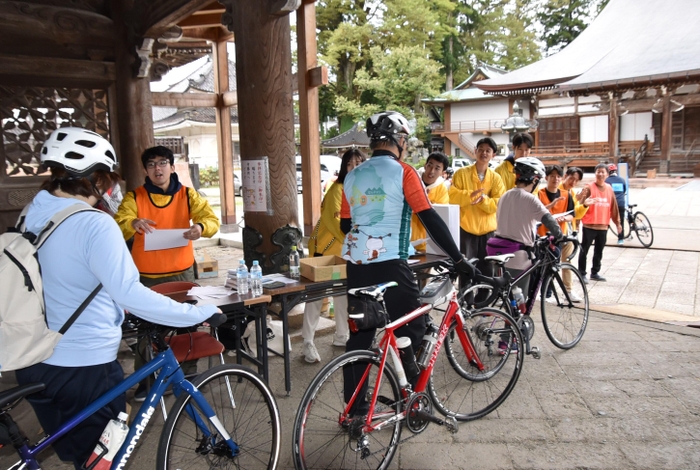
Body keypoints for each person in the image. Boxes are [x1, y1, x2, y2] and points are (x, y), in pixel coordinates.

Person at [14, 128, 221, 470]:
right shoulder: (95, 223)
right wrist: (194, 313)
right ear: (96, 179)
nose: (111, 187)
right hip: (82, 363)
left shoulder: (33, 211)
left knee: (75, 455)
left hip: (33, 357)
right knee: (102, 460)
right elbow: (128, 292)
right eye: (108, 178)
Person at [340, 111, 476, 415]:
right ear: (400, 140)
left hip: (357, 265)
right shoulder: (404, 172)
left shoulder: (353, 175)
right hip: (390, 265)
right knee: (414, 326)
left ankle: (355, 409)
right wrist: (458, 258)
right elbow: (428, 217)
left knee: (361, 335)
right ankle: (411, 397)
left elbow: (345, 227)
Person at [114, 145, 220, 401]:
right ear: (146, 171)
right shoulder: (135, 197)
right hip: (146, 276)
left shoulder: (187, 195)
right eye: (151, 165)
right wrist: (133, 223)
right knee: (146, 330)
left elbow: (211, 220)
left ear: (172, 167)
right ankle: (146, 380)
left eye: (163, 163)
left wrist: (200, 227)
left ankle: (188, 373)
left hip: (181, 273)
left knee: (186, 324)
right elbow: (118, 223)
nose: (157, 169)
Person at [302, 148, 366, 363]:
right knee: (315, 298)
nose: (355, 167)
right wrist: (360, 238)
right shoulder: (337, 190)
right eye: (350, 164)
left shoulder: (363, 188)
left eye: (359, 163)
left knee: (342, 296)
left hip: (346, 253)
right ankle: (307, 342)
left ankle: (341, 335)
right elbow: (335, 223)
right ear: (343, 167)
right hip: (326, 252)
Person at [493, 158, 563, 299]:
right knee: (519, 302)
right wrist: (560, 236)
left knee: (505, 298)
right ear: (534, 179)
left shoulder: (505, 196)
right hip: (519, 258)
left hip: (498, 254)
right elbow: (550, 222)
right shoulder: (530, 199)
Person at [449, 136, 505, 276]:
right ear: (475, 151)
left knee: (487, 271)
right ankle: (466, 298)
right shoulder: (461, 173)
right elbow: (452, 197)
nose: (484, 153)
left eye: (488, 150)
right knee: (465, 269)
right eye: (481, 149)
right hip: (466, 229)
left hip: (488, 231)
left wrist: (482, 201)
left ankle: (484, 298)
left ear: (493, 155)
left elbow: (499, 203)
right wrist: (470, 196)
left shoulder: (496, 178)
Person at [537, 165, 582, 302]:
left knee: (554, 265)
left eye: (558, 176)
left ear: (561, 178)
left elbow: (571, 214)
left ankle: (549, 294)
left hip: (558, 236)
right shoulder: (539, 194)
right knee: (541, 266)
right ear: (546, 178)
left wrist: (564, 218)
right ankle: (544, 294)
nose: (555, 179)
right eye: (552, 176)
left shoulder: (566, 195)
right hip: (542, 236)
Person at [578, 163, 622, 283]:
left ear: (607, 174)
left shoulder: (609, 188)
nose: (600, 174)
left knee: (599, 251)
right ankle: (581, 273)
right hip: (589, 225)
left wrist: (617, 223)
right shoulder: (589, 187)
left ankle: (595, 272)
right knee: (584, 250)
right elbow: (580, 203)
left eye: (603, 172)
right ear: (595, 173)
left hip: (603, 225)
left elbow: (614, 207)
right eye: (598, 171)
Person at [410, 151, 450, 252]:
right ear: (425, 165)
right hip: (406, 238)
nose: (431, 171)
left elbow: (439, 214)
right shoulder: (412, 181)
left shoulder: (442, 189)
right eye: (430, 165)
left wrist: (425, 202)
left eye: (437, 168)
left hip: (427, 243)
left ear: (443, 172)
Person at [606, 163, 627, 245]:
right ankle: (620, 239)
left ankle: (602, 238)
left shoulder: (606, 181)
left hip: (610, 204)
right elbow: (624, 190)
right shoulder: (622, 180)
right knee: (620, 222)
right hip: (621, 203)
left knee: (606, 221)